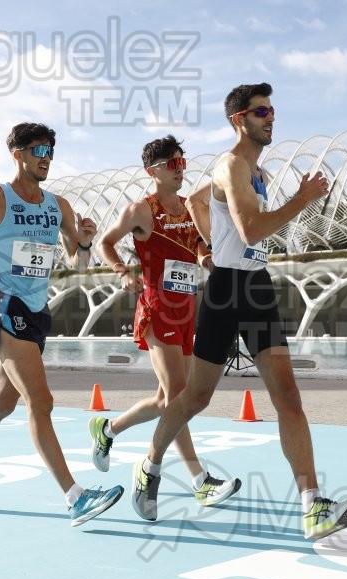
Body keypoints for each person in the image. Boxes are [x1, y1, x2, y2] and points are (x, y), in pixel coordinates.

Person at [130, 84, 347, 539]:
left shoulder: (254, 170)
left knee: (288, 397)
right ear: (239, 119)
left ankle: (313, 505)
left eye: (273, 109)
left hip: (254, 287)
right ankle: (150, 465)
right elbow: (252, 230)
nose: (270, 117)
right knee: (196, 397)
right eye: (261, 111)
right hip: (225, 292)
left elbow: (200, 203)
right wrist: (301, 200)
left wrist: (206, 245)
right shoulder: (232, 164)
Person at [0, 122, 123, 526]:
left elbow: (78, 265)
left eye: (50, 150)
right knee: (42, 402)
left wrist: (85, 240)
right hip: (6, 304)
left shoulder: (59, 206)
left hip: (38, 311)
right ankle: (75, 497)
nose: (46, 158)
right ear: (17, 154)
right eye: (38, 150)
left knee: (1, 406)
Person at [89, 135, 240, 509]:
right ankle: (199, 479)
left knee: (165, 399)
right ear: (152, 171)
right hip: (157, 307)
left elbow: (199, 243)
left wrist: (205, 258)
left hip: (187, 308)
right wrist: (123, 270)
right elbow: (105, 243)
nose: (180, 170)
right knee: (179, 395)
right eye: (173, 164)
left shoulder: (190, 207)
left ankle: (108, 429)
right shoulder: (141, 210)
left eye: (182, 163)